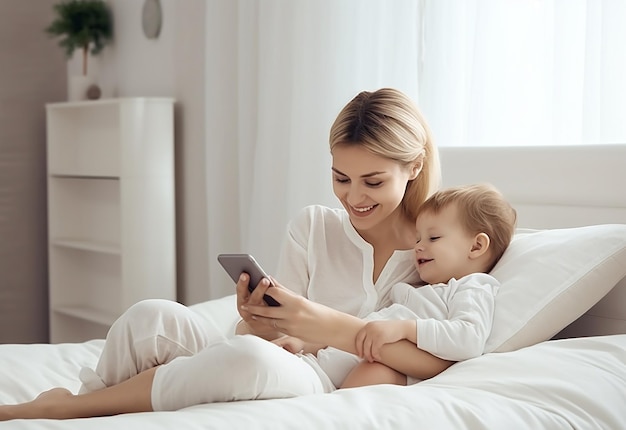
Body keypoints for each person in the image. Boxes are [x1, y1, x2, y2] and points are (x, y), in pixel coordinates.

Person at [0, 88, 445, 420]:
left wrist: (319, 326)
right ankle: (86, 403)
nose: (353, 197)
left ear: (414, 167)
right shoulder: (314, 225)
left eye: (373, 182)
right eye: (340, 178)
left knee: (245, 360)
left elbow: (436, 357)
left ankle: (68, 410)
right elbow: (268, 338)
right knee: (150, 316)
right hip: (282, 357)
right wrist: (258, 318)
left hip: (320, 381)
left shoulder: (438, 250)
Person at [298, 183, 517, 389]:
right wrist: (307, 343)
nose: (419, 247)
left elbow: (469, 338)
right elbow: (365, 327)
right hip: (331, 360)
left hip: (389, 367)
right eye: (418, 239)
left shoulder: (473, 286)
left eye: (433, 238)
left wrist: (406, 328)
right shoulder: (422, 289)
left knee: (373, 373)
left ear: (477, 246)